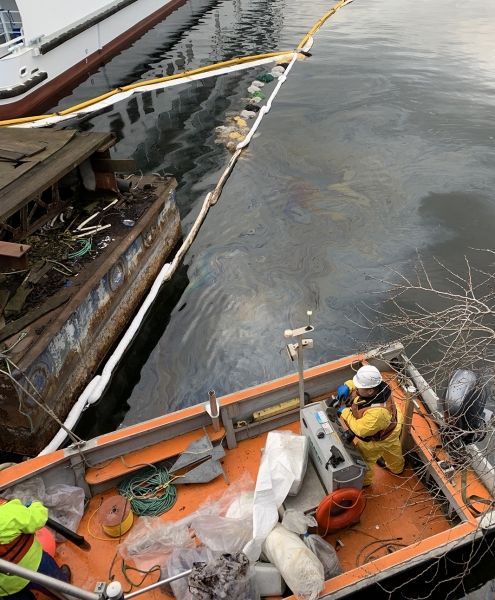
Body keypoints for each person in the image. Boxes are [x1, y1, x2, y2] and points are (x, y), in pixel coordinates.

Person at [336, 365, 405, 487]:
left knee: (365, 459)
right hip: (391, 426)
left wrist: (345, 412)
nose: (356, 388)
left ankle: (365, 482)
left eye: (358, 387)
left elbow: (360, 430)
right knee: (393, 452)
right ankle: (397, 469)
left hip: (381, 437)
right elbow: (361, 385)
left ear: (370, 391)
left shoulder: (378, 413)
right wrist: (348, 385)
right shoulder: (378, 387)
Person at [0, 499, 70, 600]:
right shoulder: (7, 513)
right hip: (36, 565)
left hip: (8, 587)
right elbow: (37, 518)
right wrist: (36, 505)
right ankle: (65, 591)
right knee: (58, 585)